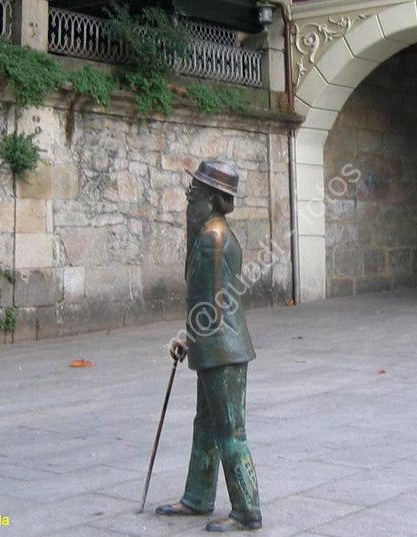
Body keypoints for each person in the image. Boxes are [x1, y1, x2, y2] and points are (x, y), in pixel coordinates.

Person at [156, 160, 262, 533]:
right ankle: (197, 496)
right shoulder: (211, 233)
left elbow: (211, 302)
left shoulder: (212, 238)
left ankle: (247, 510)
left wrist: (187, 336)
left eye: (197, 191)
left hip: (223, 348)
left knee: (230, 431)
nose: (190, 196)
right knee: (206, 424)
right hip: (215, 346)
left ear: (215, 199)